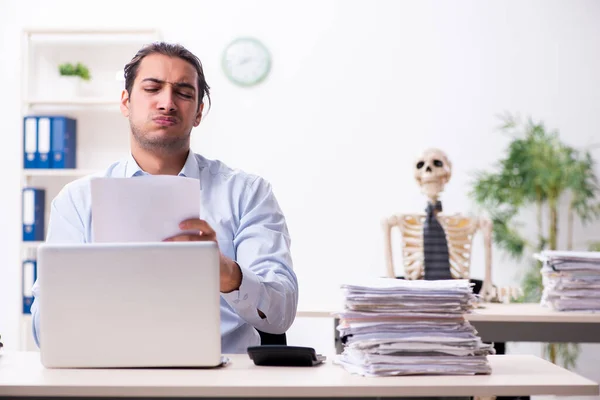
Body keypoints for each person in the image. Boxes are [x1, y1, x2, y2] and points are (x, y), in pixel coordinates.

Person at [30, 42, 299, 354]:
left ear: (199, 112)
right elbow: (43, 331)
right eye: (152, 88)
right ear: (125, 102)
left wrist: (226, 273)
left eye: (184, 92)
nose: (167, 102)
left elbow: (281, 314)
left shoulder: (248, 193)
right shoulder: (77, 200)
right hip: (110, 374)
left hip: (223, 380)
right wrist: (89, 287)